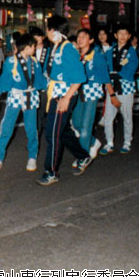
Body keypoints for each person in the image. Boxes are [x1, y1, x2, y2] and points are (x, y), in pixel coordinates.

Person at [37, 15, 92, 186]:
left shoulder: (67, 49)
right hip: (55, 94)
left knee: (52, 133)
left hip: (63, 95)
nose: (47, 32)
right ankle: (83, 156)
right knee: (62, 130)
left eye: (48, 28)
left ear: (53, 30)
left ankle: (51, 171)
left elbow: (79, 78)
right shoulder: (55, 48)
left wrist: (67, 98)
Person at [0, 33, 45, 172]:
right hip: (15, 96)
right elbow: (3, 80)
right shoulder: (11, 61)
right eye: (34, 46)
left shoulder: (35, 62)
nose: (35, 49)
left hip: (30, 96)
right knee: (6, 128)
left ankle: (32, 157)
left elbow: (41, 81)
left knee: (31, 129)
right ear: (28, 47)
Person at [100, 24, 139, 155]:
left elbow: (132, 67)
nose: (122, 36)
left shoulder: (132, 52)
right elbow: (105, 67)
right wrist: (109, 76)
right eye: (120, 34)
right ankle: (109, 142)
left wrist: (114, 74)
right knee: (108, 116)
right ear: (116, 35)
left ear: (129, 36)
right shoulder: (110, 51)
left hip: (125, 87)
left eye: (125, 34)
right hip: (111, 87)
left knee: (127, 116)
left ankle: (127, 142)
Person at [71, 28, 109, 160]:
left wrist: (110, 93)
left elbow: (104, 75)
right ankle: (94, 142)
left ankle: (82, 157)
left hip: (91, 92)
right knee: (76, 123)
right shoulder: (76, 55)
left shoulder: (96, 54)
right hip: (78, 92)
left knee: (86, 126)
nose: (80, 39)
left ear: (91, 40)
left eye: (83, 36)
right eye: (78, 36)